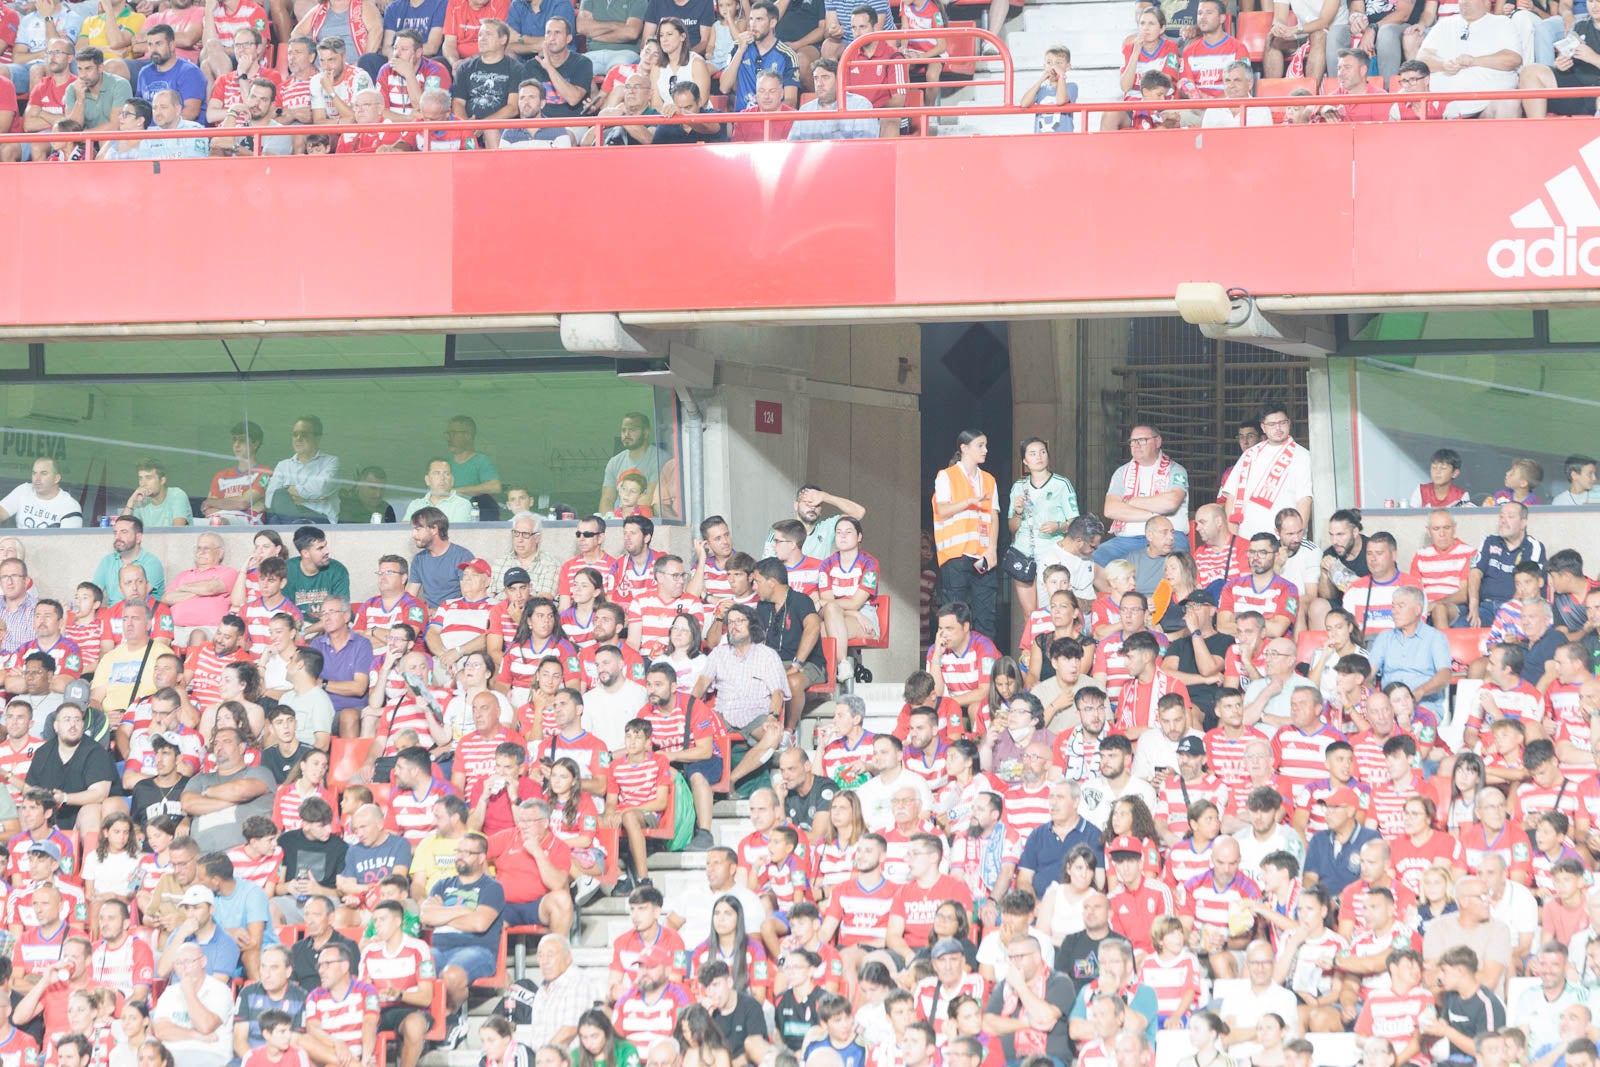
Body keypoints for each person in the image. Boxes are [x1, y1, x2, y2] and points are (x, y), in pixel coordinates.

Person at [982, 932, 1076, 1066]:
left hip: (1048, 1060)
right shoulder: (1006, 985)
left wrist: (1021, 987)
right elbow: (987, 1024)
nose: (1014, 962)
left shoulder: (1059, 982)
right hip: (1008, 1061)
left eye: (1020, 957)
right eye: (1011, 958)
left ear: (1037, 957)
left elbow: (1045, 1018)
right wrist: (1028, 1023)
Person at [1220, 403, 1312, 539]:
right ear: (1263, 427)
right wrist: (1233, 538)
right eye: (1272, 424)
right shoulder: (1249, 454)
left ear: (1289, 423)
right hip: (1246, 537)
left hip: (1283, 540)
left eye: (1282, 422)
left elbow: (1305, 500)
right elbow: (1232, 497)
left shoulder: (1302, 455)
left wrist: (1295, 538)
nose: (1278, 428)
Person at [151, 942, 236, 1067]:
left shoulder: (220, 990)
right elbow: (161, 1031)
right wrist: (196, 1035)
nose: (183, 967)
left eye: (189, 961)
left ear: (203, 962)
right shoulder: (169, 993)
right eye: (178, 963)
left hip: (211, 1057)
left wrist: (189, 993)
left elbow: (205, 1026)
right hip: (172, 1058)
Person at [263, 416, 340, 525]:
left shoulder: (331, 461)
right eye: (295, 434)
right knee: (279, 496)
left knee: (280, 499)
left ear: (318, 438)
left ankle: (298, 527)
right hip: (287, 518)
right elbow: (270, 499)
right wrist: (314, 500)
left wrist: (292, 493)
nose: (298, 438)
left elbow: (321, 488)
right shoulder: (283, 465)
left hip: (319, 521)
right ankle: (298, 526)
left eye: (304, 434)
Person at [408, 508, 475, 610]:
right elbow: (409, 598)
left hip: (455, 616)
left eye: (418, 529)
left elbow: (469, 599)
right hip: (429, 618)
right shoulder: (419, 559)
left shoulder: (463, 557)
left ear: (434, 529)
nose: (413, 535)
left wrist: (440, 612)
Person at [0, 458, 84, 528]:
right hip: (18, 546)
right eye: (34, 473)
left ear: (56, 478)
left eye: (44, 473)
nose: (37, 479)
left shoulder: (70, 506)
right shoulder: (24, 490)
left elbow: (68, 542)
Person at [403, 458, 475, 524]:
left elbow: (457, 535)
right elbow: (405, 533)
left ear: (452, 480)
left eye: (446, 474)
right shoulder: (415, 505)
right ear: (427, 480)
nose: (442, 478)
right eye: (436, 473)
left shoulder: (462, 504)